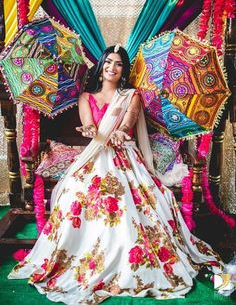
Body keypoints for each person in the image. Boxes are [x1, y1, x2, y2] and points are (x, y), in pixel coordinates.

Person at [8, 45, 223, 304]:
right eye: (108, 62)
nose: (112, 67)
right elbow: (88, 124)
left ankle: (130, 254)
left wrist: (121, 131)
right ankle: (80, 254)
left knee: (132, 198)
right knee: (74, 193)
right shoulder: (85, 97)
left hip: (124, 156)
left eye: (118, 63)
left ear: (123, 70)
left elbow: (127, 121)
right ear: (100, 68)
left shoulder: (131, 95)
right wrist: (89, 131)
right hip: (95, 154)